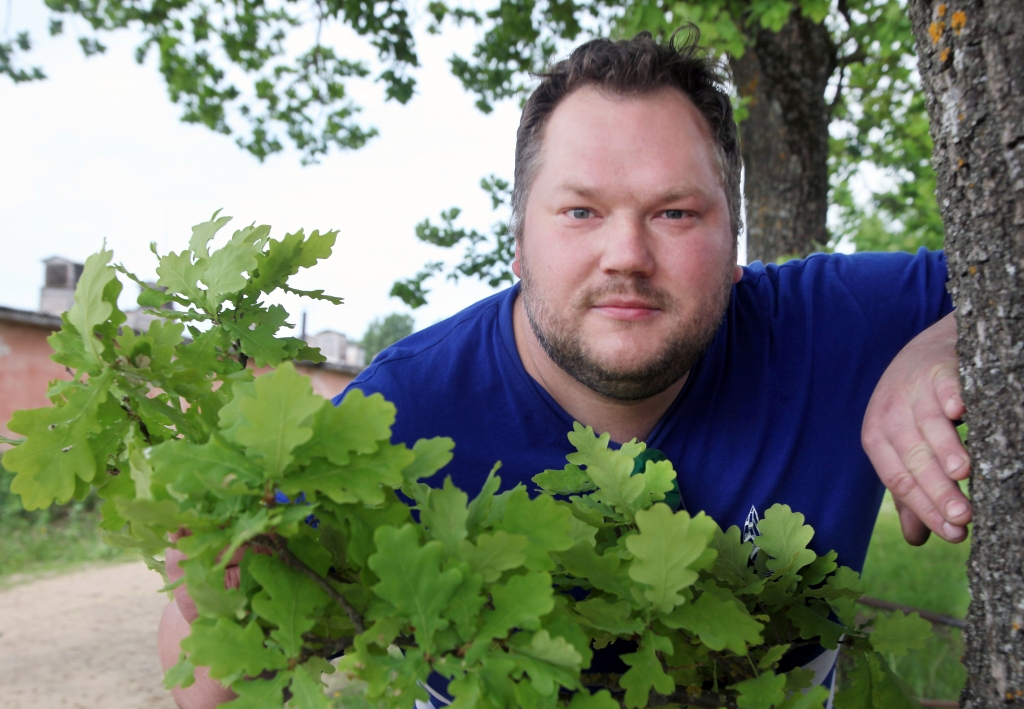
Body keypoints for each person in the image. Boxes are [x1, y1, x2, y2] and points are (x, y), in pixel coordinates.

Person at [158, 29, 972, 709]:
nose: (627, 255)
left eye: (675, 212)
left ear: (734, 246)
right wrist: (212, 588)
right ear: (519, 243)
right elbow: (218, 665)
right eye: (581, 210)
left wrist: (951, 336)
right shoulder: (399, 417)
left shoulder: (839, 328)